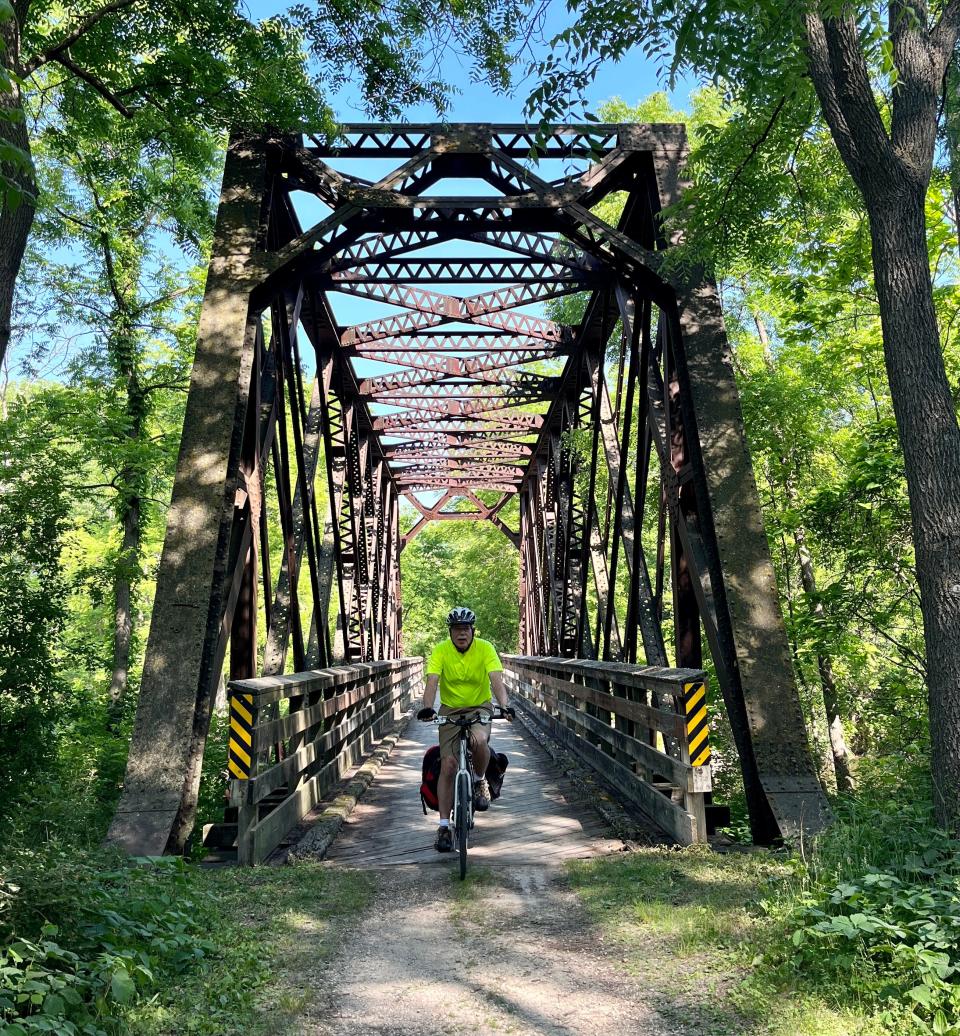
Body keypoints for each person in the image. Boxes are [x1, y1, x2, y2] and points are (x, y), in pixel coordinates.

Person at [417, 606, 514, 852]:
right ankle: (442, 827)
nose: (462, 634)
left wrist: (505, 706)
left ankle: (480, 781)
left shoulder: (485, 648)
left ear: (473, 631)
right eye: (457, 629)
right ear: (450, 632)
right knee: (448, 765)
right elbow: (432, 681)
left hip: (479, 707)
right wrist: (428, 707)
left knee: (480, 741)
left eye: (466, 629)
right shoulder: (440, 650)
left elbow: (496, 680)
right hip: (449, 709)